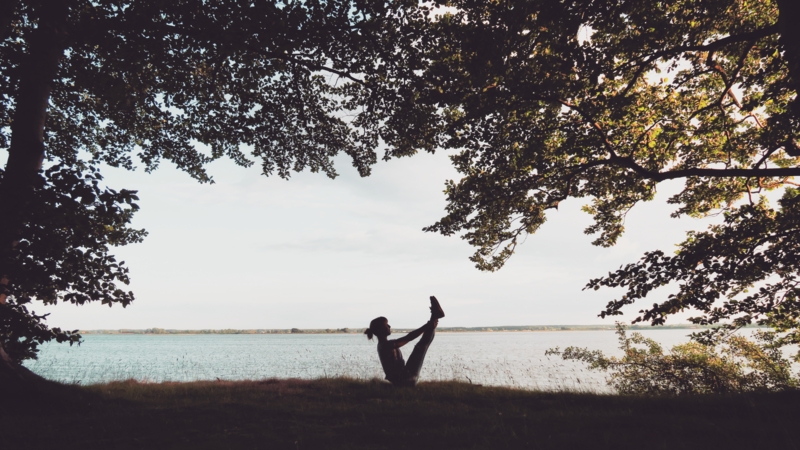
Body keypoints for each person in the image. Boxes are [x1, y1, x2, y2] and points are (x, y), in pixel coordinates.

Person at [364, 296, 445, 387]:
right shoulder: (386, 346)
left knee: (421, 347)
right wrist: (426, 326)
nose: (389, 326)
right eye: (386, 325)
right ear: (379, 330)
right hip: (405, 380)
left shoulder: (383, 345)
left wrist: (428, 326)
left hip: (403, 379)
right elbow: (409, 337)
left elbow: (409, 337)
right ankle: (434, 316)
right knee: (420, 348)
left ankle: (435, 316)